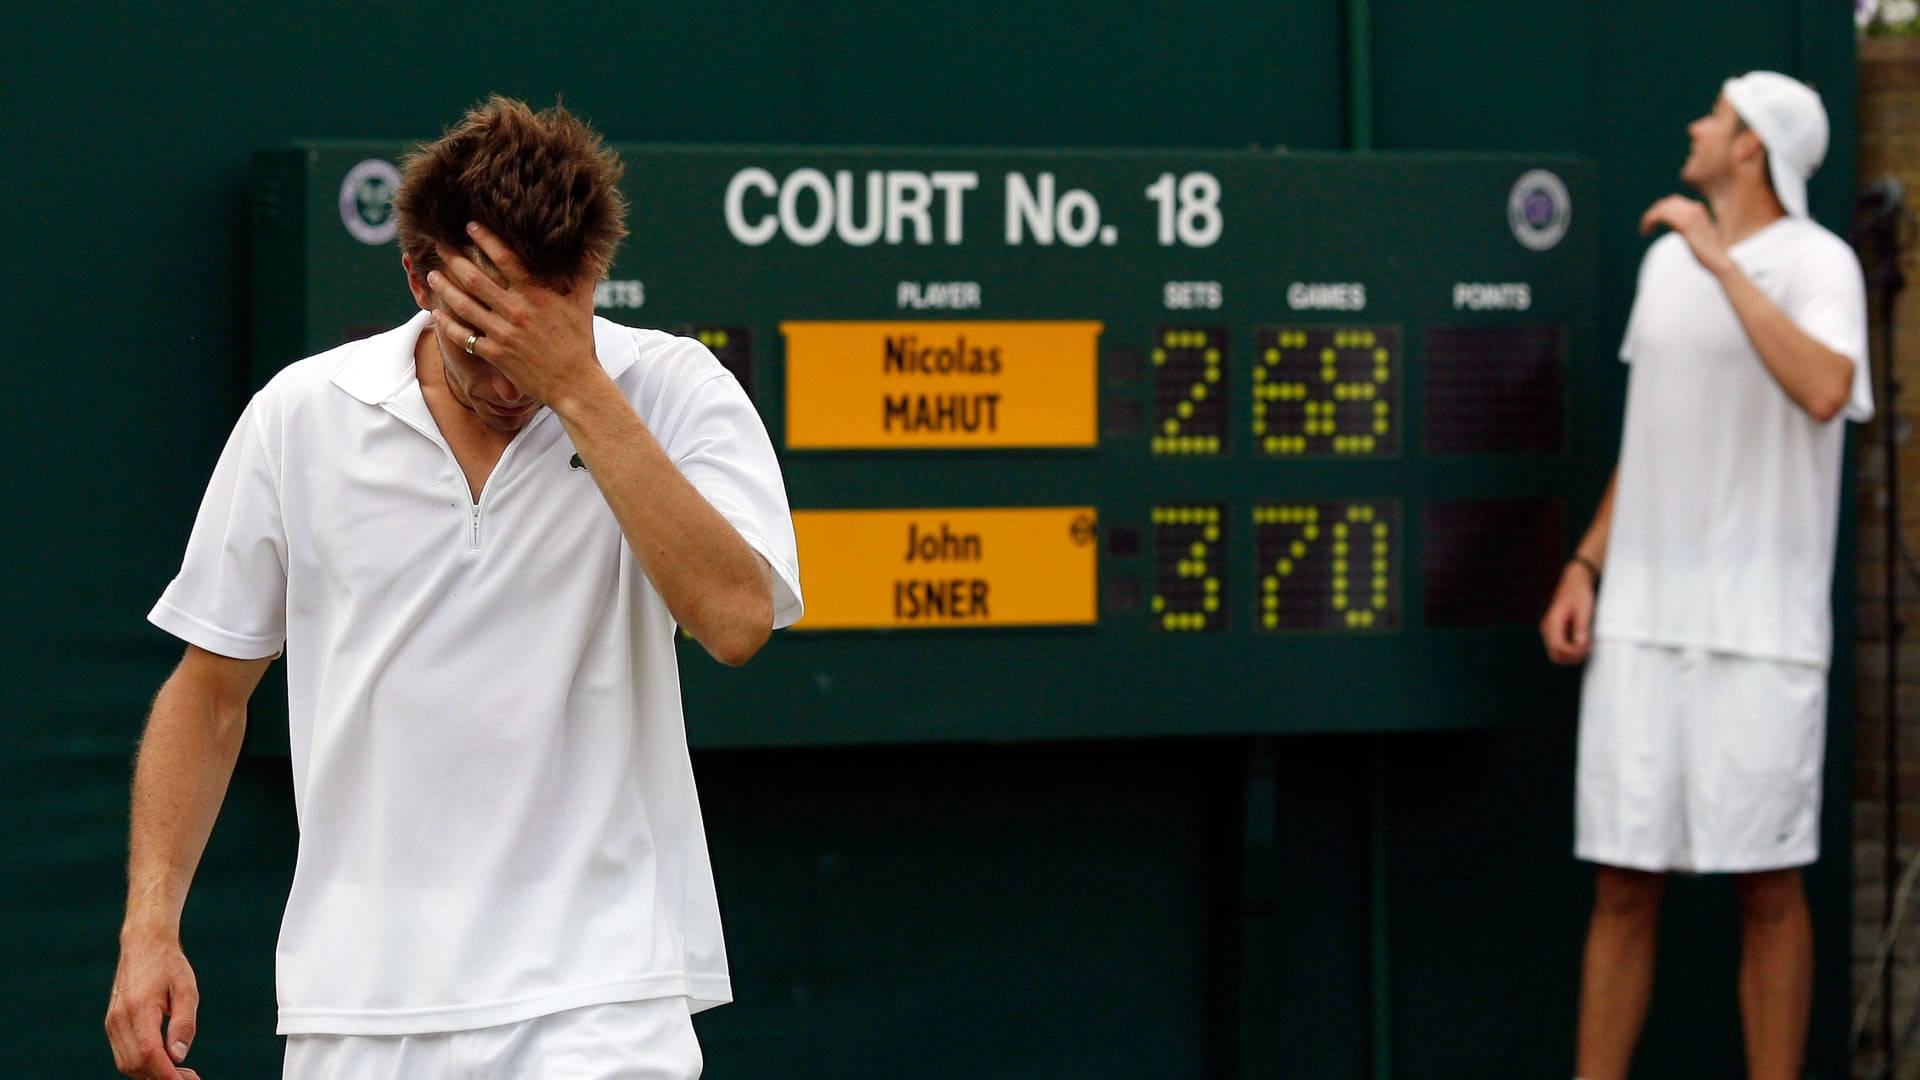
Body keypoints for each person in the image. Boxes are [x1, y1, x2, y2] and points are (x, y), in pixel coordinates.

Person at [104, 97, 802, 1080]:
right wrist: (149, 929)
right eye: (482, 329)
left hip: (601, 1000)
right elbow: (210, 695)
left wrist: (578, 386)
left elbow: (736, 620)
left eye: (545, 318)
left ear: (591, 280)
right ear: (414, 277)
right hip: (355, 1010)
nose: (511, 372)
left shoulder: (675, 390)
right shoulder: (298, 416)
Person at [1540, 71, 1871, 1080]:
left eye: (1715, 116)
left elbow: (1825, 389)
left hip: (1762, 634)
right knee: (1622, 887)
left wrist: (1721, 262)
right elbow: (1656, 438)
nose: (1692, 123)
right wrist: (1588, 561)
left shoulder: (1821, 265)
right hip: (1641, 623)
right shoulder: (1667, 268)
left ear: (1750, 148)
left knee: (1767, 890)